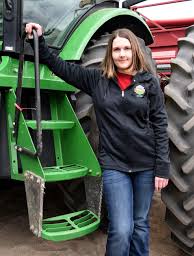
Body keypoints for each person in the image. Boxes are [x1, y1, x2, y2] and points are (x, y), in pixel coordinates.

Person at [25, 23, 170, 256]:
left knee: (140, 226)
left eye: (126, 49)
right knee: (122, 229)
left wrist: (162, 167)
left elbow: (160, 125)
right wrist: (39, 41)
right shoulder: (97, 80)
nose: (122, 54)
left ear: (135, 51)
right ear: (110, 54)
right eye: (116, 50)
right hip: (115, 166)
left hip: (145, 165)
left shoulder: (149, 83)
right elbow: (60, 67)